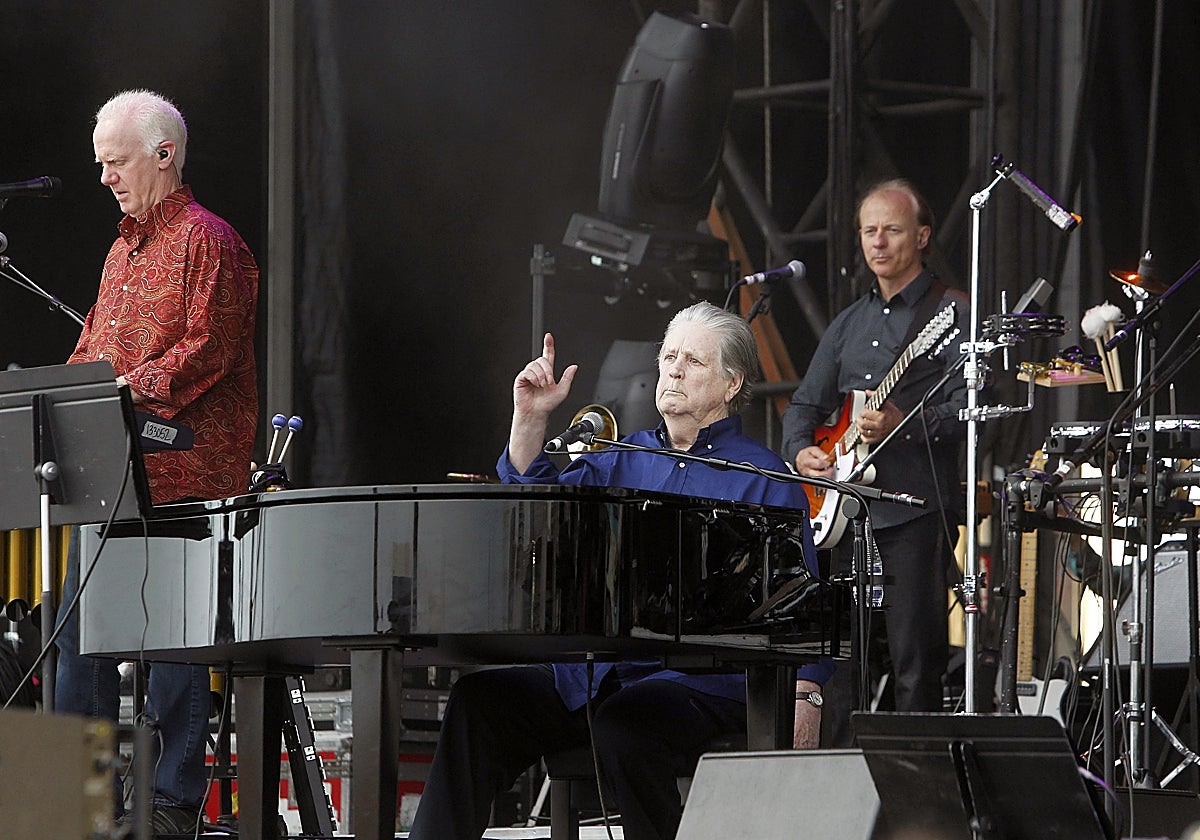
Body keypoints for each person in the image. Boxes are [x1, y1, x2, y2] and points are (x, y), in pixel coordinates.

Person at [409, 301, 832, 840]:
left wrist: (807, 695)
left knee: (628, 722)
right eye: (668, 357)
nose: (674, 370)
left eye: (693, 362)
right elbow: (538, 517)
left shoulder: (764, 477)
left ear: (731, 384)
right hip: (598, 677)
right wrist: (531, 419)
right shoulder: (619, 457)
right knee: (478, 703)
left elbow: (802, 602)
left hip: (701, 684)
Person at [54, 89, 259, 835]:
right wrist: (62, 398)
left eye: (116, 161)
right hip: (114, 475)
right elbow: (91, 350)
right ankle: (72, 802)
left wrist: (118, 389)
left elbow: (211, 346)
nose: (105, 175)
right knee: (78, 637)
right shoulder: (119, 252)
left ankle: (172, 804)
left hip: (188, 473)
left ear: (163, 155)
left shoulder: (212, 241)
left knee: (175, 644)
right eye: (100, 163)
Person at [781, 178, 968, 745]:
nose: (878, 242)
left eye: (891, 229)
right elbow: (804, 404)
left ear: (923, 235)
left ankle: (918, 797)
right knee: (841, 660)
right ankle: (841, 788)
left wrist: (903, 426)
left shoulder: (951, 314)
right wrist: (800, 450)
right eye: (869, 230)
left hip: (912, 511)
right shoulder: (847, 324)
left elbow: (969, 409)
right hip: (845, 514)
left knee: (916, 661)